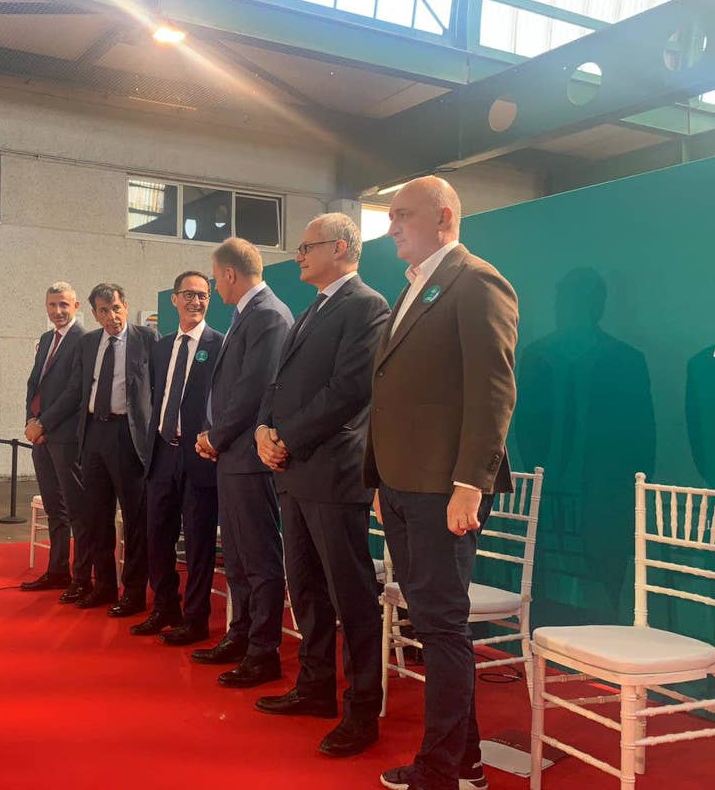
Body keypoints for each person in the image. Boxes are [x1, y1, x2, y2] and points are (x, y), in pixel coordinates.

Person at [367, 177, 518, 790]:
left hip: (442, 489)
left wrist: (470, 485)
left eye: (404, 214)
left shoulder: (476, 279)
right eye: (391, 215)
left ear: (445, 217)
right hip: (402, 484)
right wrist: (377, 477)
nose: (393, 225)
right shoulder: (414, 287)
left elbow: (493, 392)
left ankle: (438, 772)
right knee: (433, 626)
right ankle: (468, 763)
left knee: (441, 630)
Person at [254, 213, 390, 758]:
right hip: (294, 471)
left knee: (351, 596)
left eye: (306, 247)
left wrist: (285, 435)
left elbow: (349, 391)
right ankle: (314, 687)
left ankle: (362, 708)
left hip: (333, 473)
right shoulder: (313, 308)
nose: (298, 256)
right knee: (305, 587)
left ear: (339, 247)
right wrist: (265, 428)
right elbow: (280, 381)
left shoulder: (366, 306)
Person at [193, 238, 293, 688]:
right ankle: (241, 635)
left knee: (259, 557)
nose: (215, 286)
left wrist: (214, 436)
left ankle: (263, 650)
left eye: (215, 278)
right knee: (235, 556)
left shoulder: (268, 315)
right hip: (233, 457)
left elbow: (253, 392)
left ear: (230, 274)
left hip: (250, 459)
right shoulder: (245, 315)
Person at [49, 283, 157, 614]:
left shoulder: (147, 340)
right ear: (94, 314)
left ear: (126, 305)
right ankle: (104, 586)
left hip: (129, 436)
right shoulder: (88, 343)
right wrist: (44, 420)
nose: (112, 317)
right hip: (93, 434)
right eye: (104, 311)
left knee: (135, 520)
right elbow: (77, 391)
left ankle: (134, 593)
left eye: (117, 309)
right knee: (97, 517)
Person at [133, 271, 223, 644]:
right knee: (157, 537)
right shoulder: (161, 346)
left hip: (200, 456)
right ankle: (164, 607)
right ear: (174, 299)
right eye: (188, 294)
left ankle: (195, 618)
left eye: (203, 296)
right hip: (162, 453)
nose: (196, 302)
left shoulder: (220, 345)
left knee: (199, 543)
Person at [22, 282, 86, 596]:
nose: (57, 311)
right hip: (42, 437)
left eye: (63, 305)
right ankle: (57, 571)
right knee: (54, 509)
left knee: (76, 509)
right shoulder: (47, 339)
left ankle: (82, 578)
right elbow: (35, 385)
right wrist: (31, 424)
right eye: (52, 305)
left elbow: (75, 391)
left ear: (75, 306)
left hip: (66, 437)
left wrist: (44, 424)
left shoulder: (84, 339)